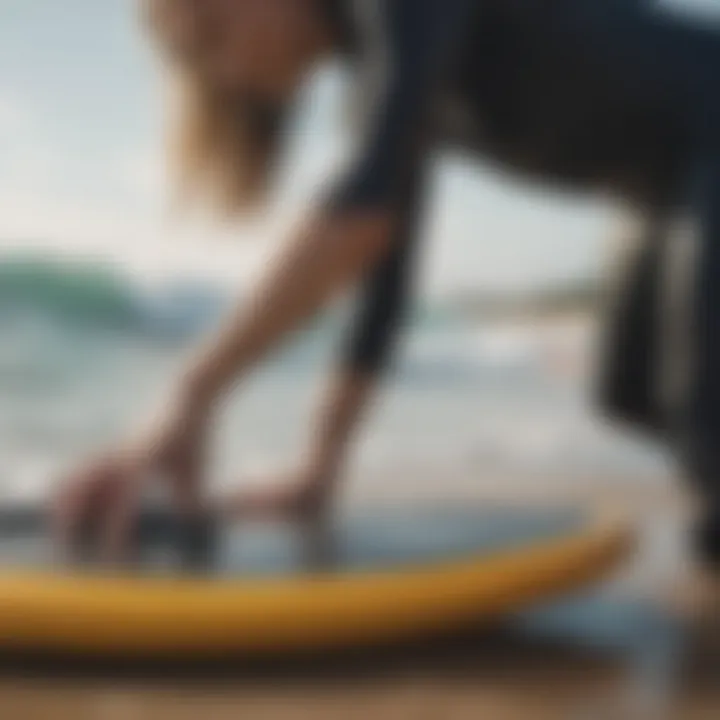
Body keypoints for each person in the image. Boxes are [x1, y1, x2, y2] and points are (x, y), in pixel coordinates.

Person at [53, 0, 720, 570]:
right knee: (628, 394)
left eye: (210, 34)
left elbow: (363, 217)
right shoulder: (373, 77)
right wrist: (320, 469)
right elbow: (386, 276)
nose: (223, 74)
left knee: (706, 429)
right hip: (664, 186)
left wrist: (191, 393)